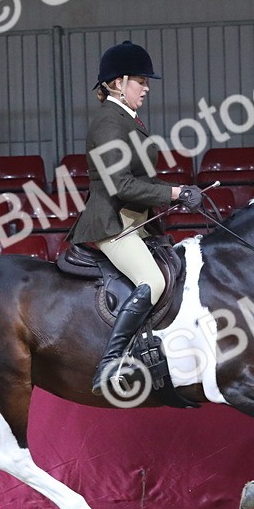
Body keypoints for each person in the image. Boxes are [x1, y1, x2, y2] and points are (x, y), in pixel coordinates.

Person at [71, 41, 203, 395]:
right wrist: (174, 194)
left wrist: (180, 190)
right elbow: (121, 185)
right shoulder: (107, 123)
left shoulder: (126, 120)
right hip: (112, 223)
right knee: (152, 280)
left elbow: (142, 180)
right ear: (118, 82)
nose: (146, 88)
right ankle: (109, 364)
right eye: (141, 81)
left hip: (135, 221)